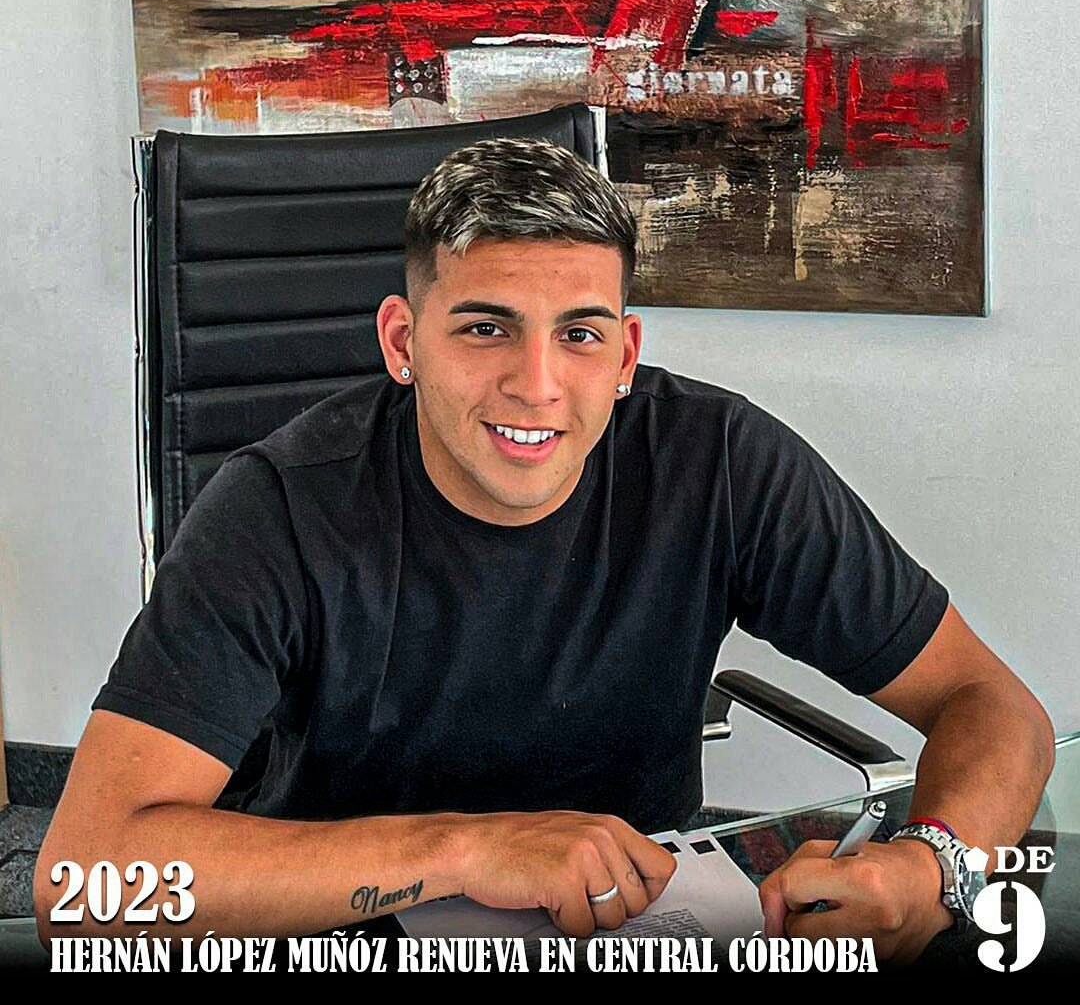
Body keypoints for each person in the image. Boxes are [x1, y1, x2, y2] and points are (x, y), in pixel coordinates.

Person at [35, 138, 1053, 964]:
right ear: (402, 342)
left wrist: (935, 867)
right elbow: (80, 887)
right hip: (345, 932)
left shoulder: (719, 463)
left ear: (625, 354)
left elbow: (991, 703)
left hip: (633, 928)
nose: (536, 384)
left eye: (579, 334)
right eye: (485, 329)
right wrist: (466, 850)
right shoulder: (277, 507)